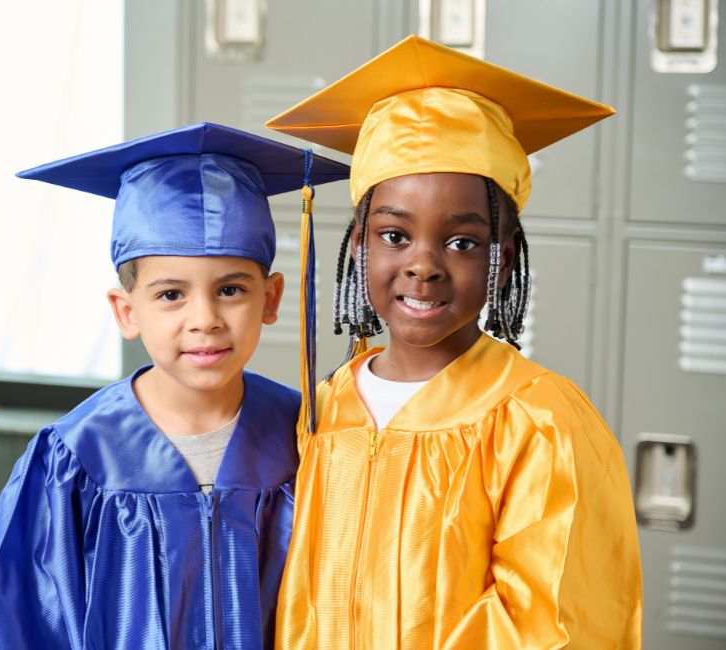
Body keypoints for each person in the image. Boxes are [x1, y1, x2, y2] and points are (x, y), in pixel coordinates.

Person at [266, 36, 643, 648]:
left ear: (504, 257)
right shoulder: (328, 403)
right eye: (394, 236)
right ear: (358, 245)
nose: (423, 265)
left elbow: (552, 624)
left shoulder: (537, 421)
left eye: (462, 243)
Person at [0, 122, 349, 650]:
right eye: (171, 295)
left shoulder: (310, 436)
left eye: (231, 290)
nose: (205, 319)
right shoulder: (75, 458)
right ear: (126, 311)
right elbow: (24, 629)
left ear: (270, 299)